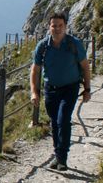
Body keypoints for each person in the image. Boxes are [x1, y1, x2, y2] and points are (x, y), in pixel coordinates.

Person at [29, 11, 92, 171]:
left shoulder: (74, 44)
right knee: (55, 123)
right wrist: (34, 92)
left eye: (60, 26)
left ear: (65, 27)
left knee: (63, 120)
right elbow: (35, 71)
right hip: (50, 89)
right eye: (54, 25)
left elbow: (85, 66)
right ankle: (58, 155)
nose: (57, 29)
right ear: (49, 27)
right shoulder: (42, 46)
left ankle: (62, 158)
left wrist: (87, 89)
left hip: (70, 88)